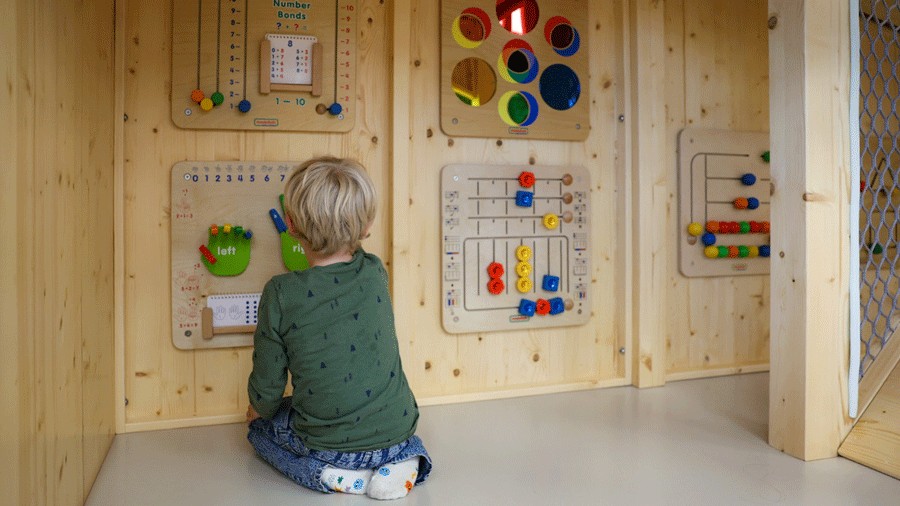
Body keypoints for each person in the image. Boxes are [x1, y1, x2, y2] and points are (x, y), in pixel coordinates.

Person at [246, 156, 431, 499]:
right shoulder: (374, 271)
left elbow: (268, 384)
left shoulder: (280, 293)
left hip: (329, 447)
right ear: (367, 227)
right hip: (398, 433)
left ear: (289, 223)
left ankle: (330, 474)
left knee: (260, 432)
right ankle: (402, 463)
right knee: (384, 430)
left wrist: (257, 411)